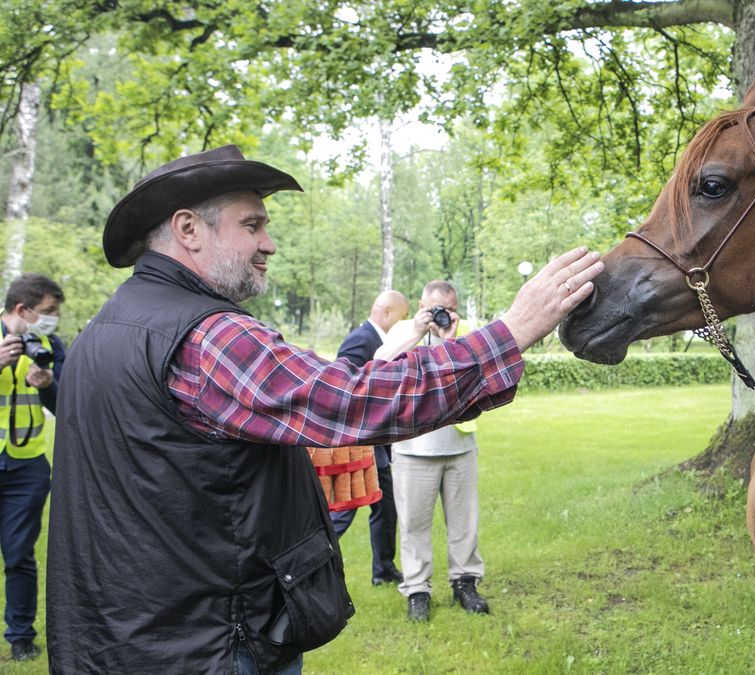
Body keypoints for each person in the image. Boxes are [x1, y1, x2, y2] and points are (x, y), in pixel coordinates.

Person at [45, 144, 603, 674]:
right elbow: (350, 400)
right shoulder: (207, 335)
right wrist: (511, 331)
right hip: (210, 642)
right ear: (188, 229)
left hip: (122, 635)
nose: (269, 244)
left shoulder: (101, 331)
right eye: (252, 225)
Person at [372, 281, 486, 622]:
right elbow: (380, 363)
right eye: (436, 308)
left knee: (464, 522)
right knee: (413, 524)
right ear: (421, 306)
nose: (442, 315)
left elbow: (476, 375)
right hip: (413, 446)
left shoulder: (466, 332)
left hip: (459, 445)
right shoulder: (404, 330)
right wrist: (418, 331)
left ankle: (465, 582)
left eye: (449, 309)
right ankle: (417, 589)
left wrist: (449, 340)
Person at [0, 274, 65, 662]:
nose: (53, 319)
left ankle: (21, 637)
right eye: (48, 311)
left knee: (19, 555)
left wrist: (46, 385)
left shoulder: (49, 346)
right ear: (22, 309)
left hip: (27, 467)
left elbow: (66, 406)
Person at [329, 289, 410, 587]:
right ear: (387, 312)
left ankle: (383, 570)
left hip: (374, 444)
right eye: (403, 317)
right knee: (345, 511)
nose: (404, 323)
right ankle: (307, 564)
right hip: (359, 445)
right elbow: (342, 388)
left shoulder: (376, 339)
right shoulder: (361, 340)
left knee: (385, 507)